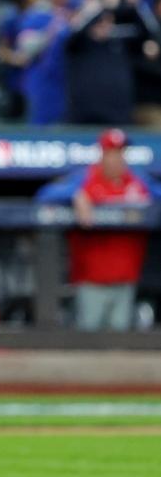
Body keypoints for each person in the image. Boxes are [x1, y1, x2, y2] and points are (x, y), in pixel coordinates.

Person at [36, 129, 159, 331]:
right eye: (112, 152)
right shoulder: (85, 179)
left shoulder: (137, 181)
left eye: (121, 152)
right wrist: (75, 195)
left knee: (120, 346)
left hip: (126, 280)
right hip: (91, 281)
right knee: (89, 342)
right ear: (102, 154)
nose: (117, 158)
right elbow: (44, 195)